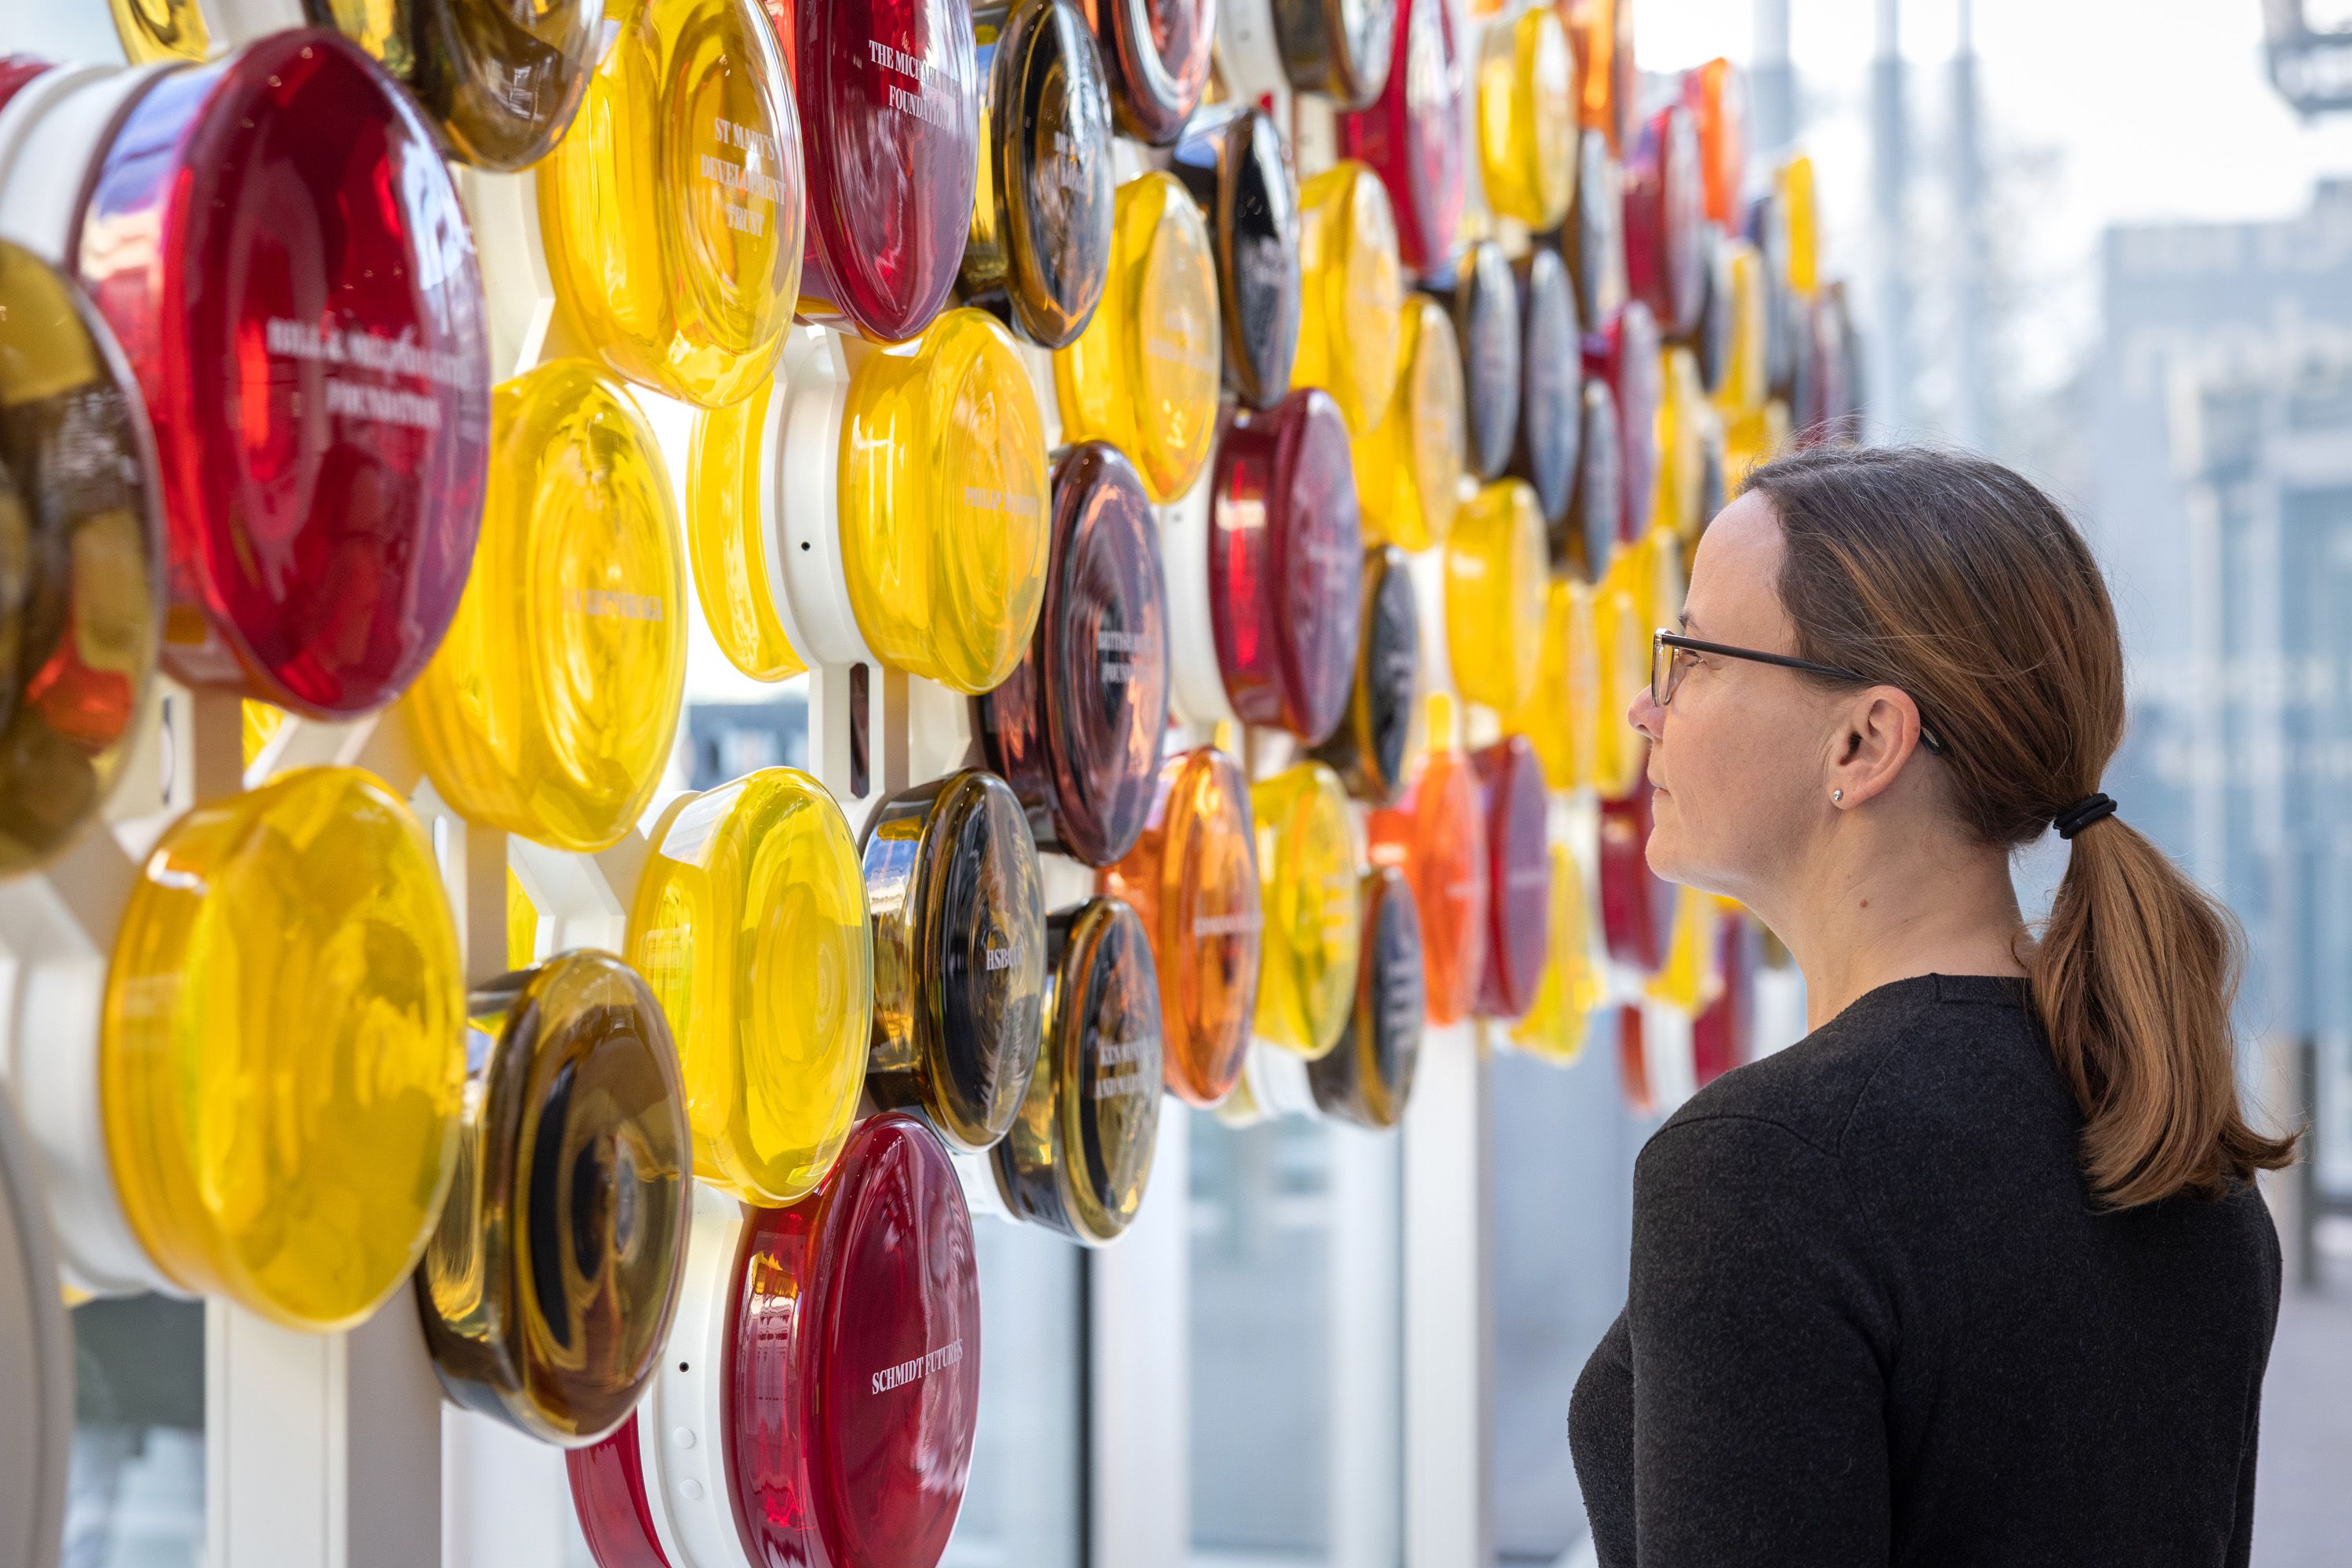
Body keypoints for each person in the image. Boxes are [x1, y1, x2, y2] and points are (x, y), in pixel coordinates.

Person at [1567, 446, 2295, 1567]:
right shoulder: (2169, 1128)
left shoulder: (1772, 1167)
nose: (1644, 708)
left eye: (1692, 656)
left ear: (1862, 741)